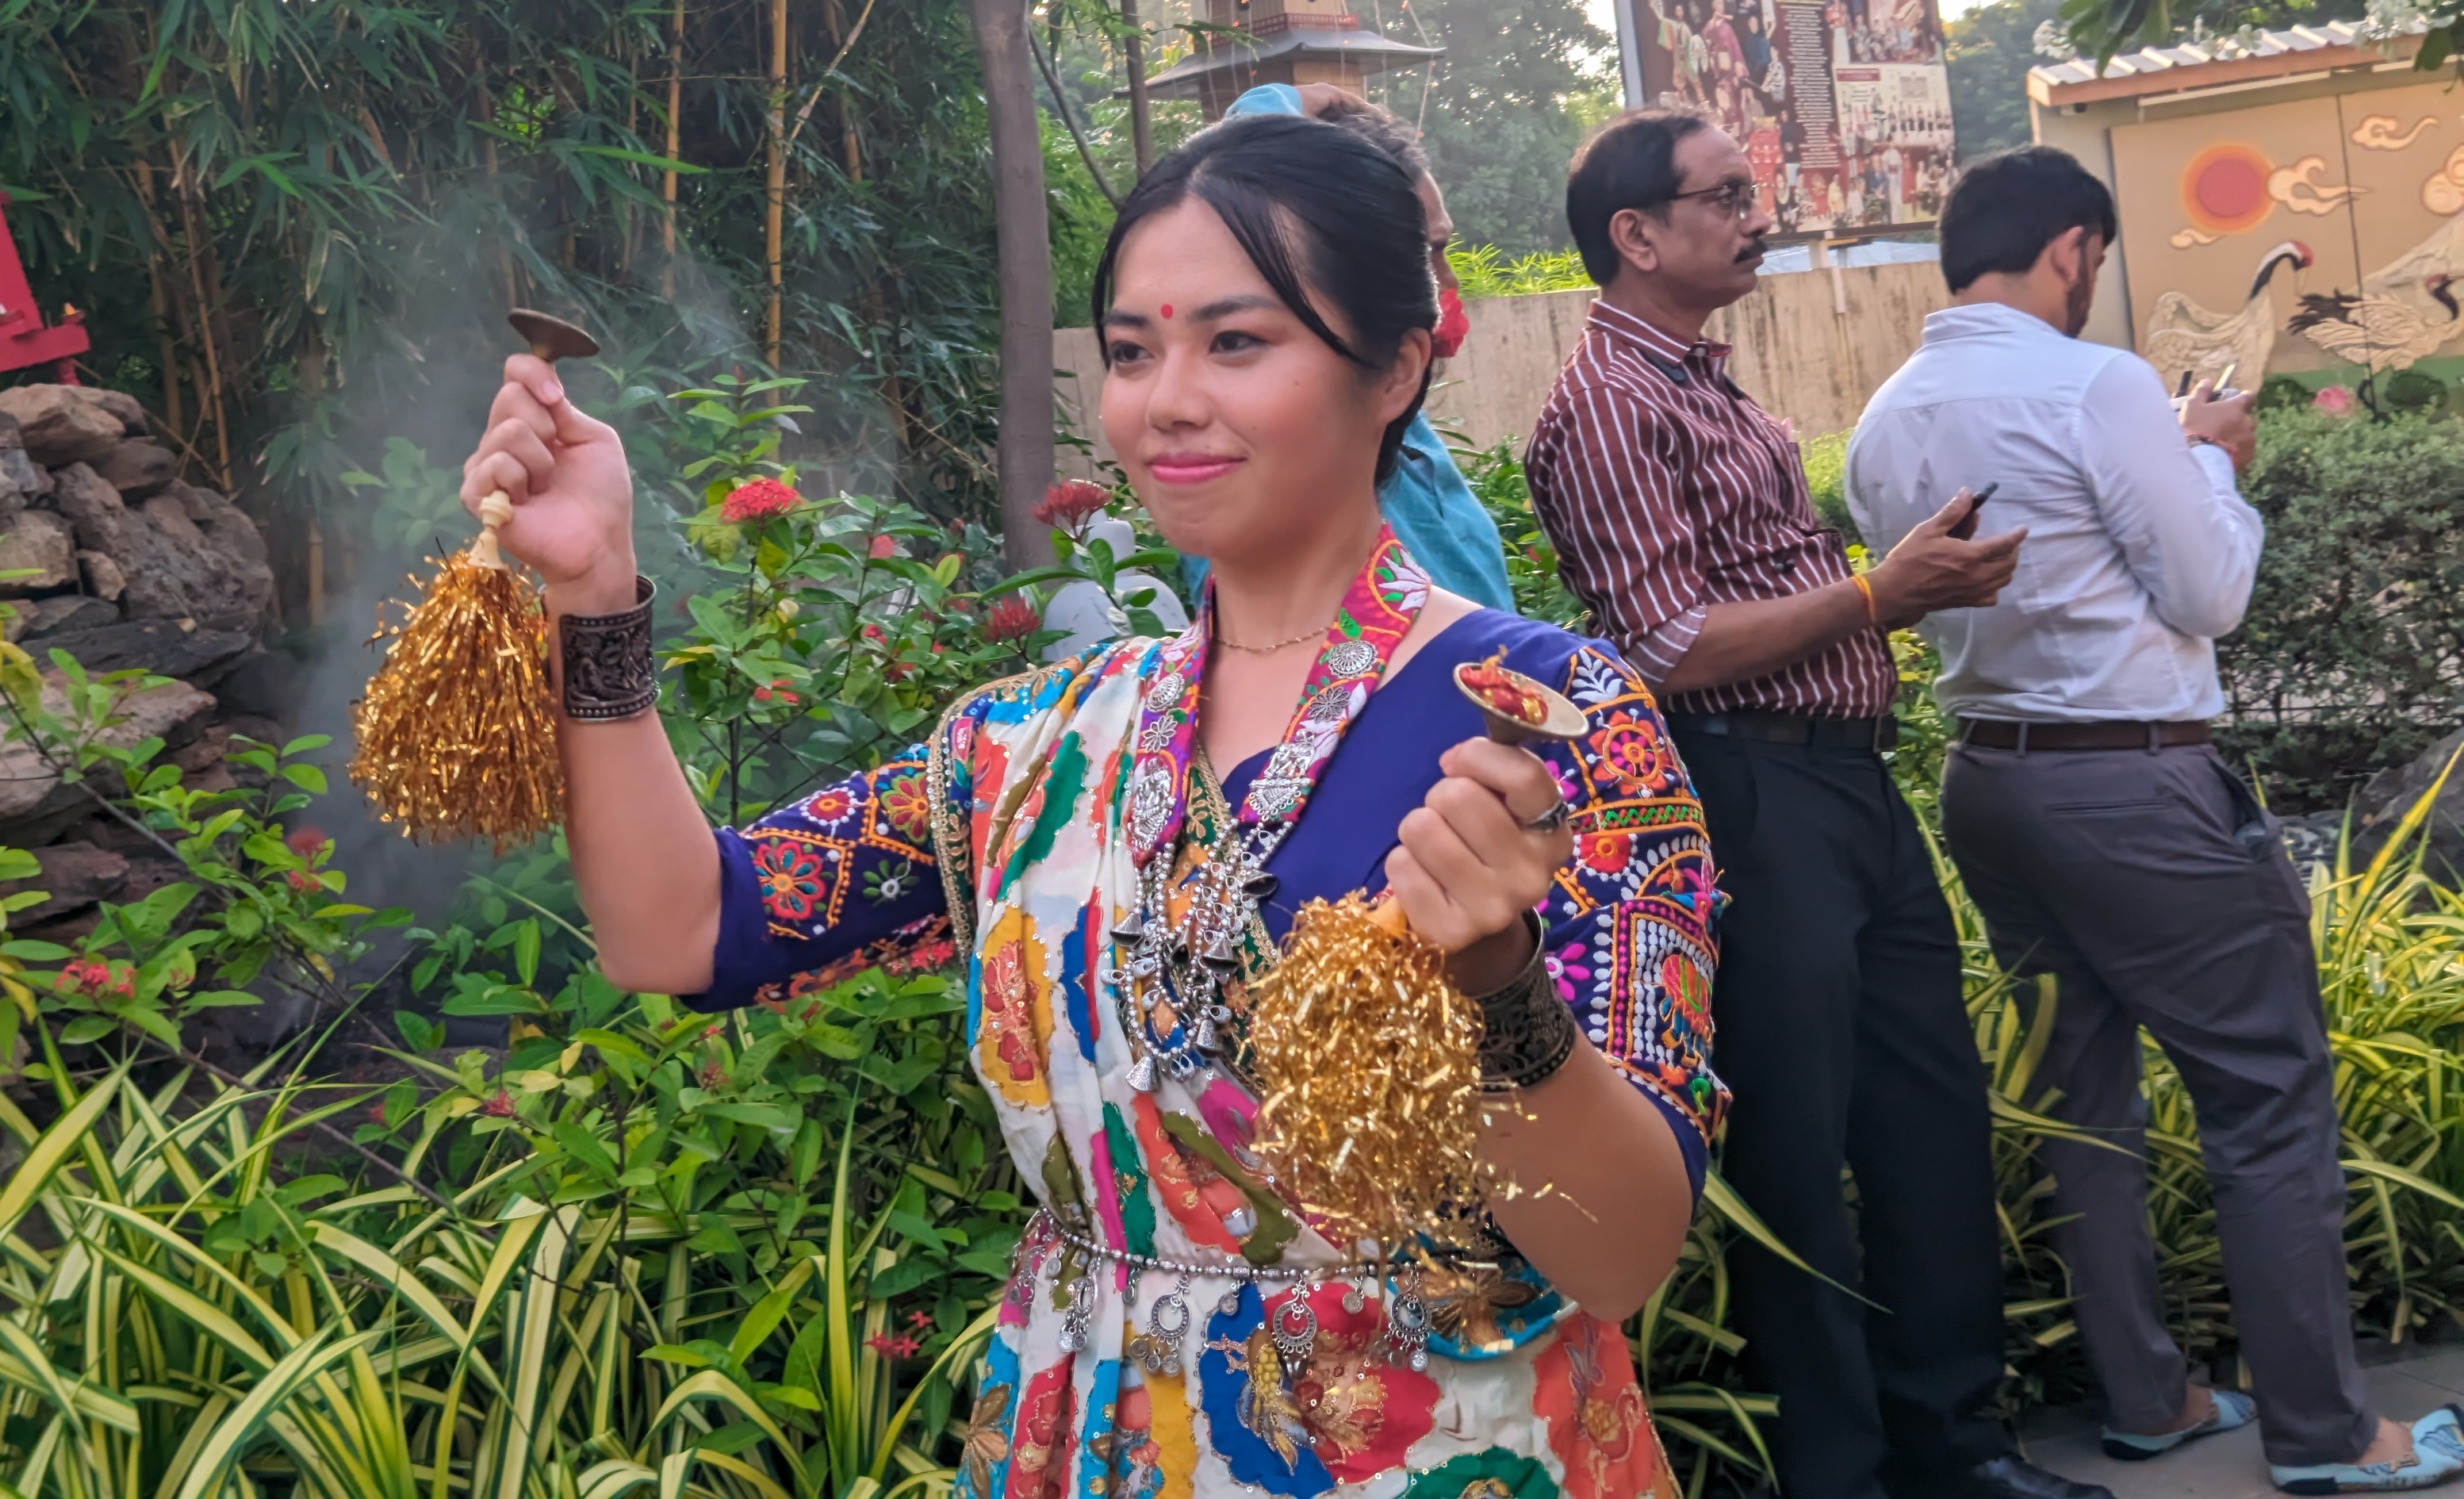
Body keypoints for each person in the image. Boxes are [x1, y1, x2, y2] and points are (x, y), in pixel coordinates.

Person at [460, 113, 1724, 1497]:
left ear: (1397, 367)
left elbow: (1623, 1252)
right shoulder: (1034, 745)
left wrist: (1497, 989)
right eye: (1132, 351)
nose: (1165, 399)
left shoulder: (1547, 722)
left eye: (1237, 343)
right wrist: (593, 596)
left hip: (1441, 1451)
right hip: (1098, 1442)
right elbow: (679, 928)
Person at [1844, 146, 2464, 1495]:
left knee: (2084, 1099)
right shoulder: (2100, 383)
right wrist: (2214, 463)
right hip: (2132, 780)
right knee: (2266, 1088)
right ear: (2073, 247)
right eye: (2098, 264)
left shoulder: (1883, 417)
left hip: (1991, 781)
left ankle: (2151, 1397)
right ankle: (2325, 1432)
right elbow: (2208, 596)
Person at [1522, 109, 2093, 1499]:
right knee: (1796, 1138)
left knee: (1925, 1116)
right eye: (1724, 196)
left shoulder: (1709, 386)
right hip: (1744, 787)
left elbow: (1763, 590)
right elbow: (1666, 646)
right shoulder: (1603, 405)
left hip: (1842, 784)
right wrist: (1878, 595)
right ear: (1636, 235)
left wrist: (1881, 585)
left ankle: (1957, 1448)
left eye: (1750, 189)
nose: (1754, 213)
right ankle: (1843, 1472)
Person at [1209, 79, 1517, 615]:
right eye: (1425, 254)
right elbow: (1226, 180)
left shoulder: (1397, 421)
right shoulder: (1294, 449)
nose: (1446, 280)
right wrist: (1288, 97)